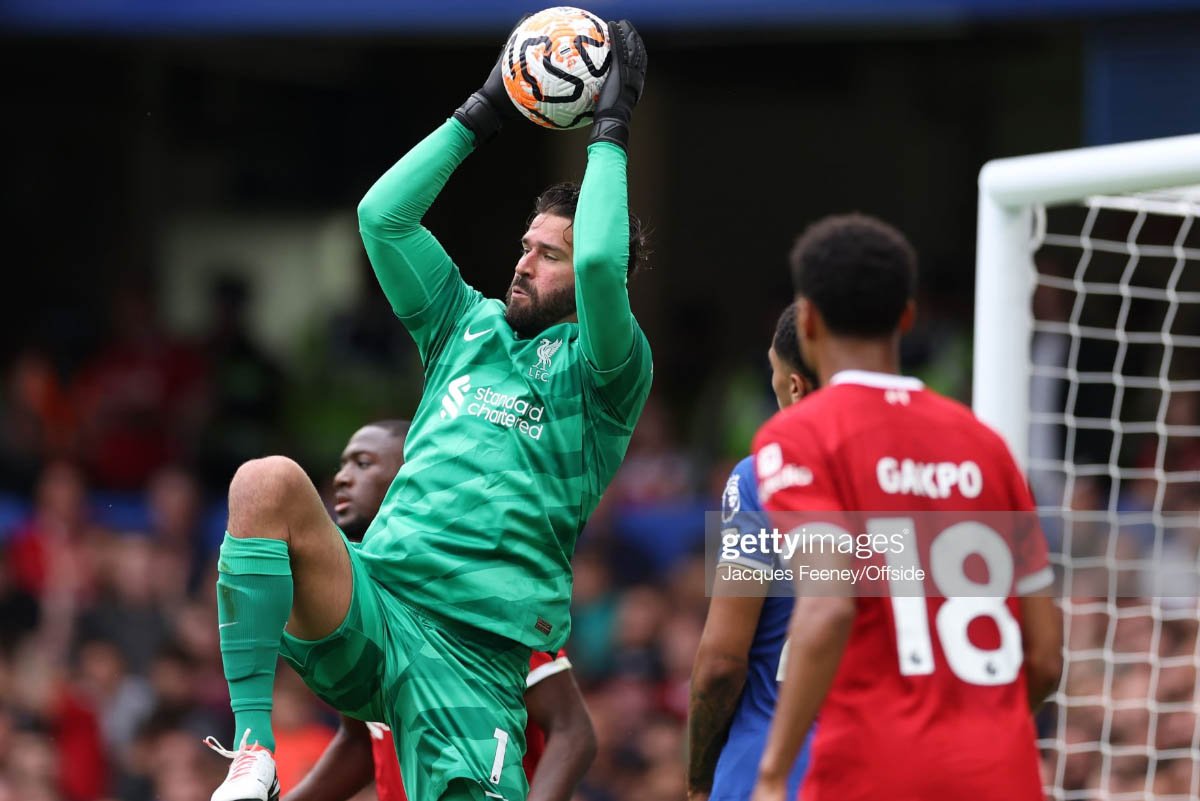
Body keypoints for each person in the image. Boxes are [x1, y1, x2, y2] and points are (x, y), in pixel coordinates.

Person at [207, 18, 651, 801]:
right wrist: (486, 105)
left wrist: (611, 127)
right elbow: (383, 218)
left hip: (477, 658)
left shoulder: (605, 373)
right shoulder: (464, 324)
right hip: (375, 604)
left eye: (546, 256)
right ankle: (251, 747)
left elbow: (598, 261)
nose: (523, 262)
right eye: (525, 244)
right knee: (264, 481)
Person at [748, 214, 1063, 801]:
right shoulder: (987, 445)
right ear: (908, 317)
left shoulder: (800, 436)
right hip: (1003, 774)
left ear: (808, 320)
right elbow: (1044, 657)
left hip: (873, 771)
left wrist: (771, 775)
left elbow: (827, 609)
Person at [285, 420, 596, 801]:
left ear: (415, 477)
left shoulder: (474, 596)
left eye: (362, 464)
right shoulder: (363, 602)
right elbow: (359, 742)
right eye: (342, 465)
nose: (342, 479)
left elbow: (573, 732)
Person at [687, 303, 816, 801]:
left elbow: (721, 662)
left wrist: (698, 777)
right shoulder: (917, 481)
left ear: (795, 386)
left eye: (773, 373)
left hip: (772, 770)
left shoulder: (762, 477)